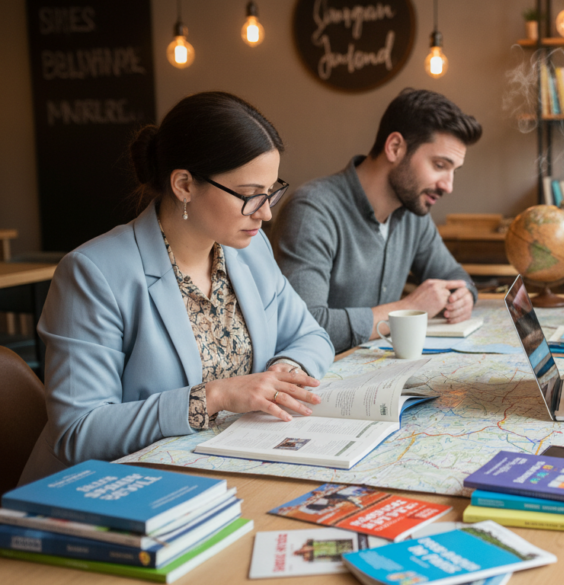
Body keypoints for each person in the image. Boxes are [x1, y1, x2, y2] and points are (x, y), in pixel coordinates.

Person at [20, 92, 335, 484]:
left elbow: (311, 335)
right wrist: (215, 397)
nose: (266, 212)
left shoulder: (250, 251)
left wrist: (282, 375)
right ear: (184, 184)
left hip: (217, 472)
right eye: (251, 195)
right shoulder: (93, 273)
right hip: (110, 492)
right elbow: (79, 430)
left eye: (271, 192)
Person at [271, 89, 482, 352]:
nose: (448, 186)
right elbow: (304, 326)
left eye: (454, 171)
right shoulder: (312, 210)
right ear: (395, 148)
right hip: (320, 384)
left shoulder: (413, 213)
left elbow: (455, 276)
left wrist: (465, 296)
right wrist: (409, 309)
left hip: (380, 374)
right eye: (440, 165)